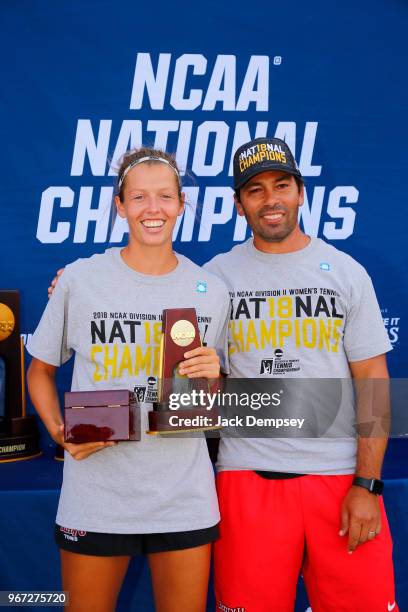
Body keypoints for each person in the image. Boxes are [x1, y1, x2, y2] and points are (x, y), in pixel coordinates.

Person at [27, 147, 230, 612]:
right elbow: (39, 370)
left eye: (164, 197)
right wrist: (62, 431)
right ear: (120, 205)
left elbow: (213, 399)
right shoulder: (80, 279)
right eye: (139, 198)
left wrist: (215, 378)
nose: (152, 210)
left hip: (184, 495)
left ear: (182, 204)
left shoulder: (211, 291)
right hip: (96, 494)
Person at [203, 137, 398, 611]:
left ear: (300, 192)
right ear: (238, 203)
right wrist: (80, 285)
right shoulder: (215, 277)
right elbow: (182, 372)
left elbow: (373, 381)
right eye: (255, 190)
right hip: (246, 480)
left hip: (339, 481)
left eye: (281, 185)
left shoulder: (347, 273)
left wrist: (367, 484)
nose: (271, 199)